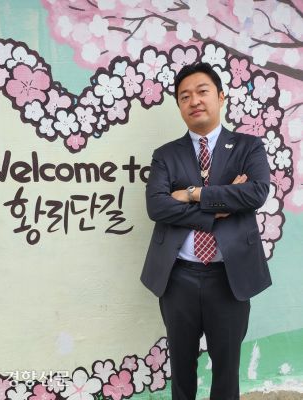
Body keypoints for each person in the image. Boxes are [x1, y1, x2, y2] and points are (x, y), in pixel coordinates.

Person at [140, 62, 271, 400]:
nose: (194, 101)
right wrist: (218, 208)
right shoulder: (166, 155)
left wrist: (193, 194)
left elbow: (256, 193)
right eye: (185, 96)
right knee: (181, 369)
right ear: (179, 106)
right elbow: (157, 206)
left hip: (229, 277)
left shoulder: (248, 147)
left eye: (202, 92)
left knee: (226, 370)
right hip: (178, 277)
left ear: (221, 97)